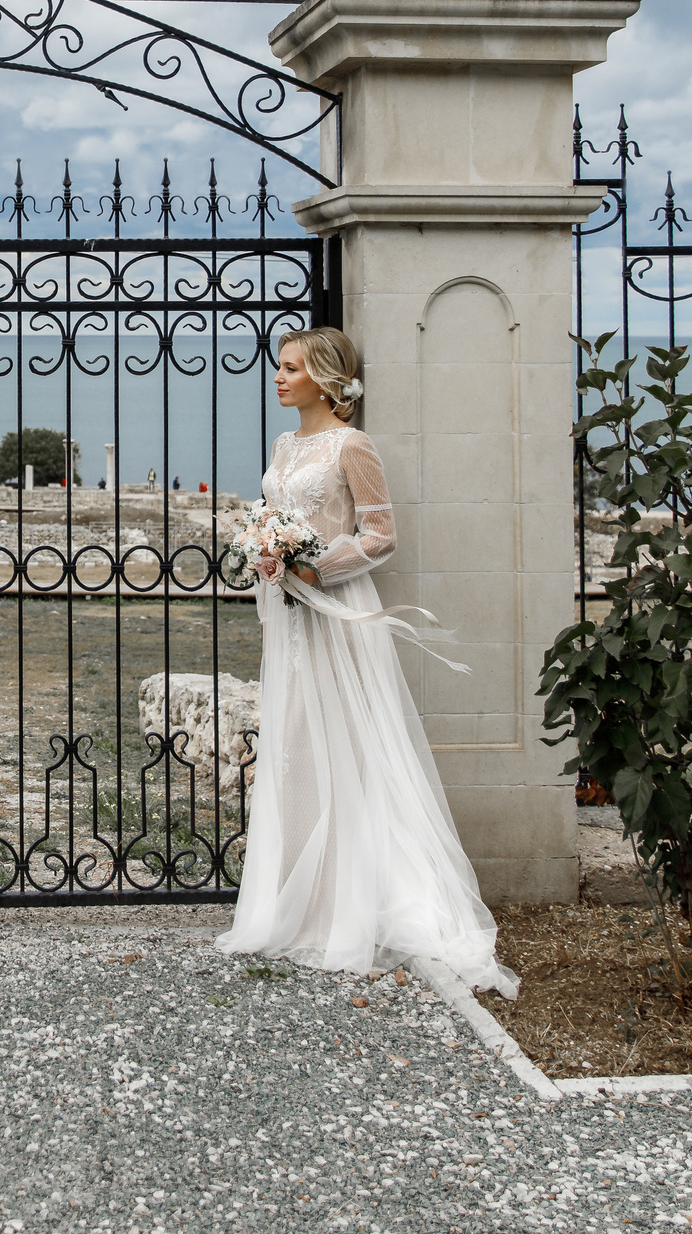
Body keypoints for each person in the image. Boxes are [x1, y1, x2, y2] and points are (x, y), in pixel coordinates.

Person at [215, 326, 516, 994]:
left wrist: (315, 566)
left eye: (291, 367)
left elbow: (381, 534)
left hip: (339, 617)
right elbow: (278, 512)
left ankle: (353, 904)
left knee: (348, 747)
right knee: (295, 746)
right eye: (280, 366)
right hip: (288, 621)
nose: (279, 376)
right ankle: (297, 901)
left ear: (325, 378)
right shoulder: (286, 444)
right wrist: (270, 554)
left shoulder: (354, 446)